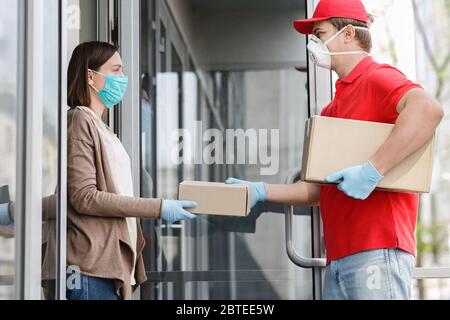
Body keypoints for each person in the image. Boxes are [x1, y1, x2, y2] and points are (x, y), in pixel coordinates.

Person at [226, 0, 444, 300]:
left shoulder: (376, 77)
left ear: (349, 33)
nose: (313, 43)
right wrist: (261, 190)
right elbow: (318, 190)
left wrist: (372, 170)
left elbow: (428, 110)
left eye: (319, 33)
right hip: (339, 259)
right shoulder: (331, 109)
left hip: (377, 251)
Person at [64, 41, 197, 300]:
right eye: (115, 70)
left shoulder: (102, 128)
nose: (122, 78)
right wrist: (158, 207)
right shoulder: (80, 120)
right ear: (91, 76)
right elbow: (83, 197)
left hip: (104, 268)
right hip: (90, 269)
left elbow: (70, 198)